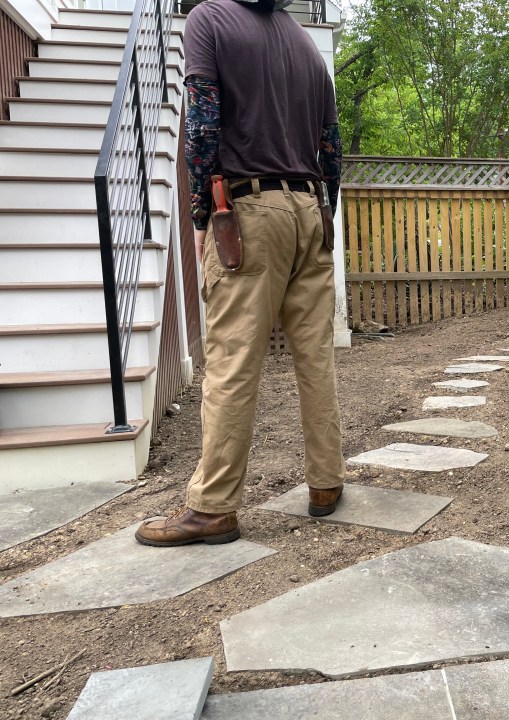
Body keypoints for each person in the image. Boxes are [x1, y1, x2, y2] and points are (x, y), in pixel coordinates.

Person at [136, 0, 344, 546]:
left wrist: (203, 215)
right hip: (311, 209)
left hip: (249, 213)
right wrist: (322, 211)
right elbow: (331, 145)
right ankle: (326, 483)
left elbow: (202, 125)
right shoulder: (307, 46)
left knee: (231, 361)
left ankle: (213, 508)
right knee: (316, 356)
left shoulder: (209, 19)